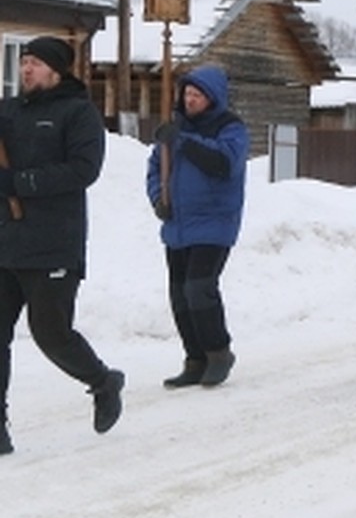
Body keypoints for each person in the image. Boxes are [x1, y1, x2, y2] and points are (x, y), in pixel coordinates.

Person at [0, 36, 124, 454]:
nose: (26, 70)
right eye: (23, 63)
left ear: (56, 69)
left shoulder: (78, 113)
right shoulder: (9, 111)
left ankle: (102, 381)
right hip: (6, 241)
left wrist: (19, 183)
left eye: (34, 63)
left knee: (51, 334)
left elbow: (83, 170)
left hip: (54, 244)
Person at [146, 65, 249, 388]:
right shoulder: (174, 128)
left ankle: (219, 352)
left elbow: (223, 164)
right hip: (178, 223)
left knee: (198, 288)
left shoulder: (230, 128)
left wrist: (184, 140)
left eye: (196, 95)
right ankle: (195, 359)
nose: (189, 100)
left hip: (215, 221)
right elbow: (154, 168)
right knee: (179, 294)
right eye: (186, 94)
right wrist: (157, 199)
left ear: (212, 98)